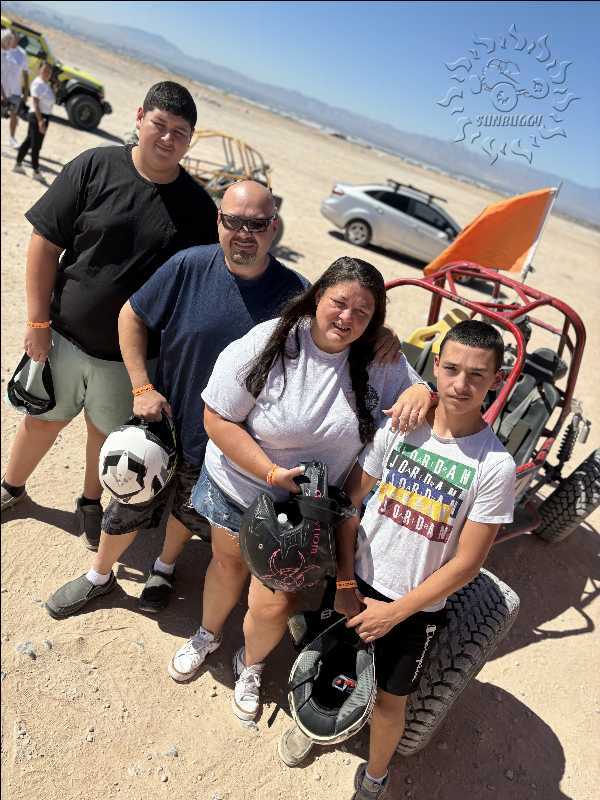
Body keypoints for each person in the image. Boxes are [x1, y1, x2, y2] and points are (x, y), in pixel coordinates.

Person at [44, 181, 417, 619]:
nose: (244, 233)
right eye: (233, 221)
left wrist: (381, 334)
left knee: (188, 511)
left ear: (273, 227)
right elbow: (132, 315)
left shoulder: (293, 292)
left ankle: (164, 568)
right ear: (218, 221)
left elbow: (340, 315)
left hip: (226, 439)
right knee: (129, 503)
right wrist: (142, 387)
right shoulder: (189, 265)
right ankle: (99, 575)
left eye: (256, 224)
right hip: (165, 420)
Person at [167, 256, 434, 726]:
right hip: (239, 486)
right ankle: (207, 634)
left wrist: (423, 392)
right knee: (227, 565)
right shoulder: (271, 341)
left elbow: (424, 401)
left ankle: (250, 664)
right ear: (316, 297)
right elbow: (217, 417)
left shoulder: (380, 359)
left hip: (306, 510)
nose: (347, 318)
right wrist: (270, 472)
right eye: (339, 303)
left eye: (363, 312)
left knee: (276, 600)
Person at [278, 320, 516, 800]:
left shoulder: (494, 466)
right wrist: (346, 583)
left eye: (477, 375)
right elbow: (350, 504)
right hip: (356, 580)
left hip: (414, 608)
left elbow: (467, 563)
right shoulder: (401, 427)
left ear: (495, 380)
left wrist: (395, 613)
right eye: (451, 369)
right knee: (328, 659)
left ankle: (376, 774)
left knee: (390, 703)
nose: (461, 384)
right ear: (436, 367)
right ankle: (314, 723)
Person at [1, 82, 218, 553]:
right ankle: (11, 487)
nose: (167, 138)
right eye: (159, 125)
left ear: (190, 140)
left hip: (130, 358)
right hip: (63, 336)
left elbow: (204, 283)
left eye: (180, 132)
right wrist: (37, 323)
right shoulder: (94, 166)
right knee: (41, 420)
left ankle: (89, 502)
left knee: (106, 435)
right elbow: (45, 244)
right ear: (139, 118)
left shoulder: (199, 210)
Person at [13, 60, 54, 183]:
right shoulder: (37, 83)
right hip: (37, 117)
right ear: (39, 70)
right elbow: (35, 104)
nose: (47, 73)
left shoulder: (46, 84)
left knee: (28, 142)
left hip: (44, 117)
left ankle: (18, 164)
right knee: (36, 145)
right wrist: (40, 121)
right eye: (45, 70)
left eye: (49, 71)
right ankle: (36, 171)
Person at [1, 28, 29, 148]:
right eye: (11, 38)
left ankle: (12, 138)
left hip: (15, 91)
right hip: (3, 91)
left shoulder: (22, 54)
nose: (13, 40)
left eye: (15, 38)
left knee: (14, 115)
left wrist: (26, 92)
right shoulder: (3, 52)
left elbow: (26, 73)